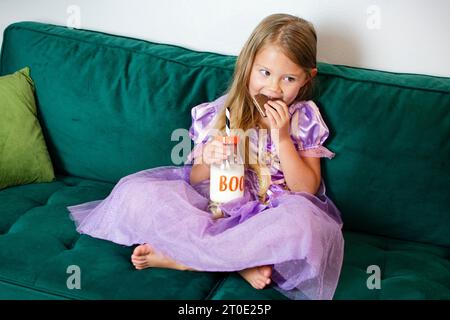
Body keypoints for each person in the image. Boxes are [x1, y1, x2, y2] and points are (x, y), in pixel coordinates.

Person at [68, 13, 344, 300]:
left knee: (302, 227)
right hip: (219, 205)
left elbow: (306, 190)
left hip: (271, 215)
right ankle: (240, 264)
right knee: (138, 193)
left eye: (288, 78)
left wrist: (283, 137)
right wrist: (210, 158)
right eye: (264, 73)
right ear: (247, 65)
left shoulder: (303, 117)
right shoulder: (222, 112)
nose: (274, 88)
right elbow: (196, 179)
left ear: (307, 78)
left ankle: (185, 260)